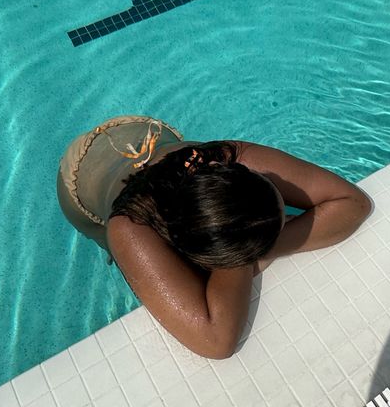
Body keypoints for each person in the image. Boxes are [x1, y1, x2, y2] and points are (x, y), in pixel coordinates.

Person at [57, 114, 372, 359]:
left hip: (136, 132)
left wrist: (252, 248)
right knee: (114, 250)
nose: (289, 218)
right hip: (81, 183)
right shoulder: (128, 228)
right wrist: (245, 254)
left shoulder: (225, 157)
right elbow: (216, 340)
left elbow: (352, 204)